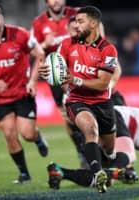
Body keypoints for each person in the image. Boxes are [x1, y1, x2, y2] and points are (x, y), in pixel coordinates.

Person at [39, 6, 118, 193]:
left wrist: (75, 79)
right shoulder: (67, 44)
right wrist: (48, 73)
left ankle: (108, 164)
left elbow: (102, 84)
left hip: (102, 103)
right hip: (76, 100)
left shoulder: (108, 49)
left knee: (109, 149)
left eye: (80, 21)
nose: (76, 25)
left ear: (93, 24)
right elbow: (56, 69)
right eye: (75, 21)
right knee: (90, 129)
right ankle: (97, 173)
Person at [0, 4, 48, 184]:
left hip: (23, 93)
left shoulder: (20, 34)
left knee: (27, 134)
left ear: (2, 19)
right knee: (9, 134)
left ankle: (38, 139)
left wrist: (33, 81)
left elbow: (39, 53)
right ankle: (24, 174)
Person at [31, 0, 88, 168]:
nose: (56, 2)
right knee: (70, 119)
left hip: (80, 69)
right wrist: (44, 44)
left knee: (90, 112)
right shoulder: (38, 22)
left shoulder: (78, 13)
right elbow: (34, 51)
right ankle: (82, 152)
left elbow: (97, 35)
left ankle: (106, 153)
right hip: (56, 76)